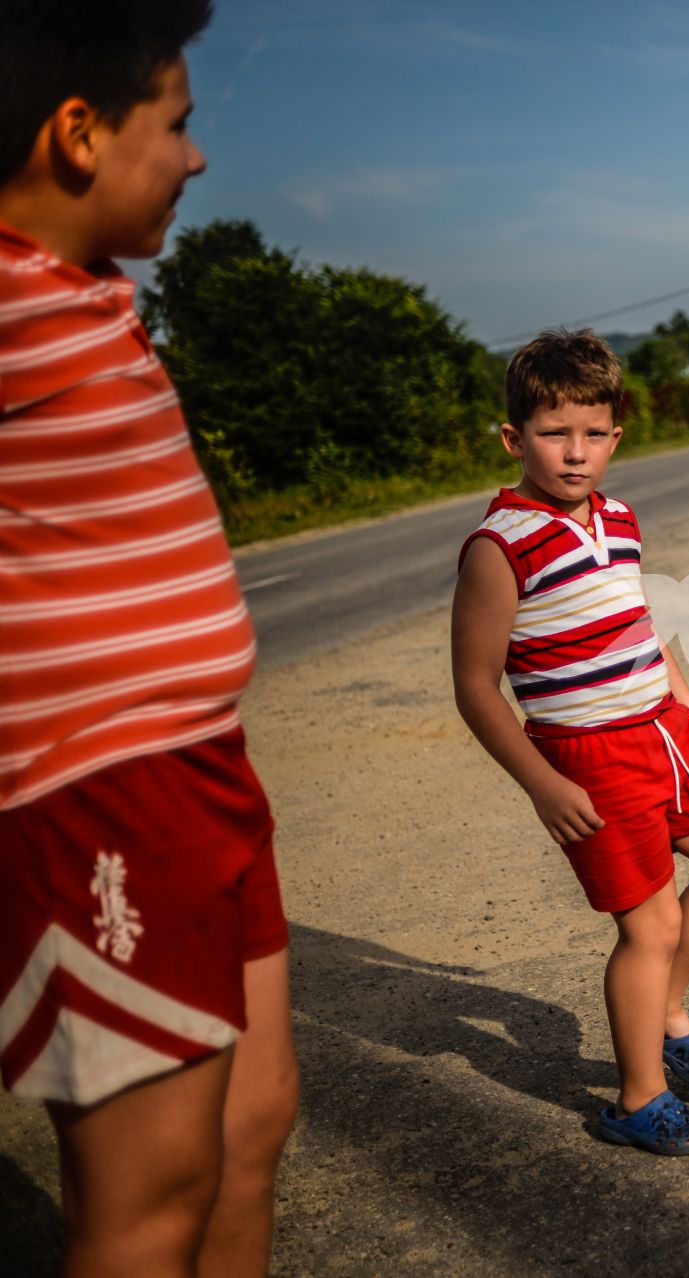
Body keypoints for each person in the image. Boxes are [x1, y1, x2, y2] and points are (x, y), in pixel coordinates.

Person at [0, 2, 299, 1274]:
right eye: (174, 123)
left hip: (203, 773)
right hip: (91, 795)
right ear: (77, 135)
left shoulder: (82, 285)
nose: (196, 156)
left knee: (252, 1122)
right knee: (148, 1198)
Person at [451, 328, 689, 1156]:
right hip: (589, 758)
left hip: (666, 733)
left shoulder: (621, 519)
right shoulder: (501, 548)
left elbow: (643, 630)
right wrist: (540, 783)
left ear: (616, 438)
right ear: (513, 438)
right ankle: (639, 1100)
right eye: (555, 433)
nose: (575, 453)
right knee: (651, 925)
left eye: (593, 434)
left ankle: (664, 1013)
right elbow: (474, 686)